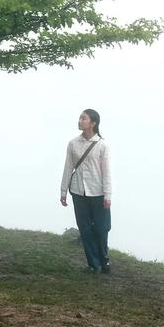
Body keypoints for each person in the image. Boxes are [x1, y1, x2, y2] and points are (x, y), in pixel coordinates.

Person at [60, 109, 112, 274]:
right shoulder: (73, 143)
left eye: (83, 118)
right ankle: (93, 264)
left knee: (102, 228)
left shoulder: (102, 145)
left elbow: (107, 172)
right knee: (84, 228)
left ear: (93, 123)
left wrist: (108, 194)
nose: (80, 121)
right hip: (78, 191)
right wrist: (63, 191)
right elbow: (68, 168)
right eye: (80, 118)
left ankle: (104, 260)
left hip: (98, 192)